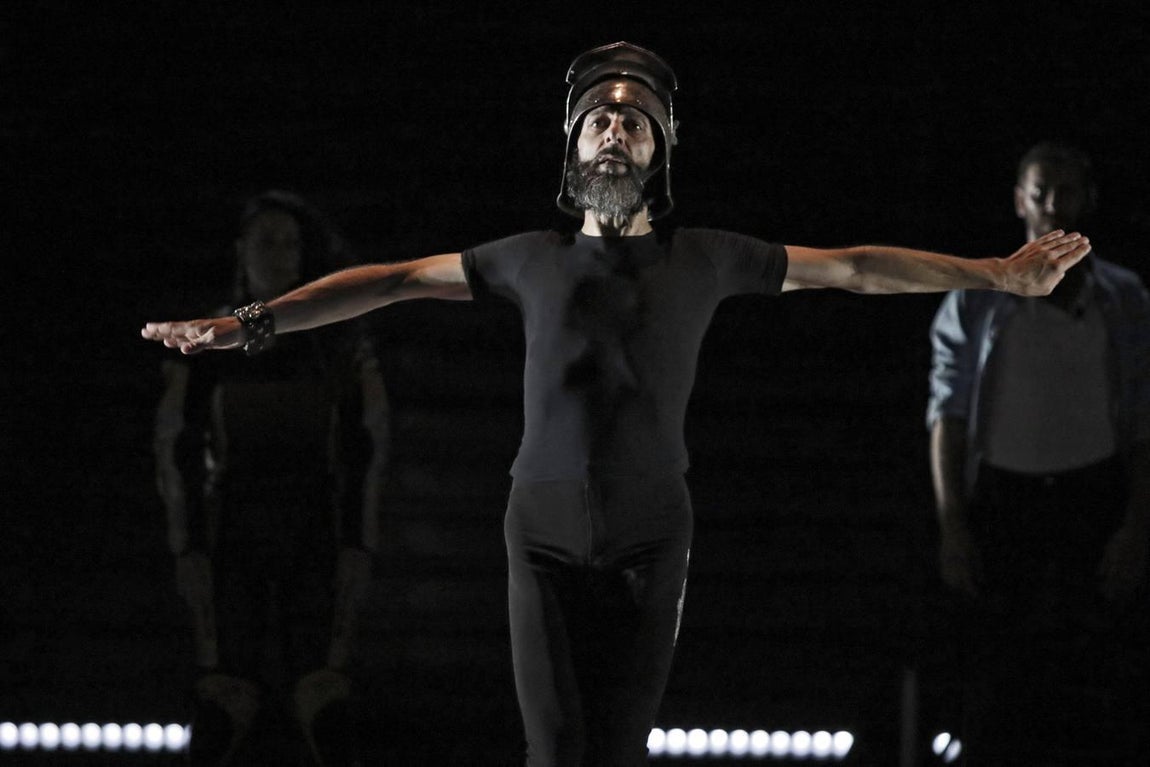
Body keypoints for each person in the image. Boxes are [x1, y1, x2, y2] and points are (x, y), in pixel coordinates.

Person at [144, 44, 1091, 767]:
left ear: (661, 148)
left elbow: (854, 267)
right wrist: (250, 323)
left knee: (620, 757)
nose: (615, 125)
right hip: (541, 532)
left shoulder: (707, 256)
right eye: (599, 115)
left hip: (653, 533)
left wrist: (999, 275)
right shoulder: (526, 258)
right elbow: (387, 280)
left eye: (636, 120)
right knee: (554, 757)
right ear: (572, 141)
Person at [927, 142, 1150, 765]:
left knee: (1096, 680)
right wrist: (952, 523)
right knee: (997, 681)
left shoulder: (1125, 299)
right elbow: (948, 414)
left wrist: (1136, 522)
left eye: (1067, 191)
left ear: (1088, 200)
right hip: (1005, 500)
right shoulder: (975, 297)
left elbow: (1143, 421)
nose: (1054, 204)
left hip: (1093, 498)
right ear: (1020, 199)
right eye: (1040, 190)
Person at [152, 190, 390, 767]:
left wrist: (359, 542)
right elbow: (175, 445)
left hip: (316, 530)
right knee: (225, 690)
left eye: (290, 243)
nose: (280, 254)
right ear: (242, 251)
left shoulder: (339, 343)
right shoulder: (204, 342)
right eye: (267, 242)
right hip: (230, 532)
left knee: (322, 688)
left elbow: (369, 445)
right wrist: (187, 546)